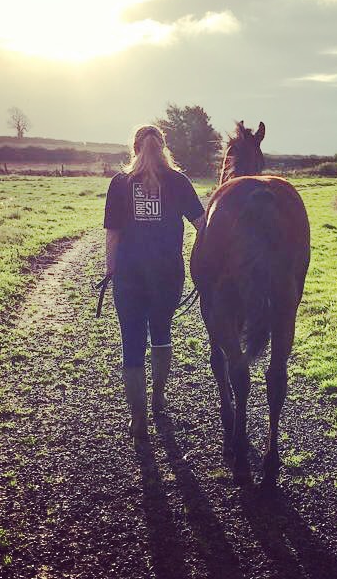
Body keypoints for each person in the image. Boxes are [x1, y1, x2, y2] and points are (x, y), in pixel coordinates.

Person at [104, 124, 205, 442]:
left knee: (131, 344)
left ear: (134, 149)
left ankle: (138, 420)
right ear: (163, 148)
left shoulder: (120, 183)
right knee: (161, 334)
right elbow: (203, 225)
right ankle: (158, 399)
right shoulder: (178, 181)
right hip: (167, 275)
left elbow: (113, 234)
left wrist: (111, 270)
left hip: (129, 276)